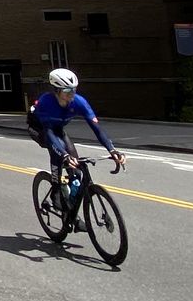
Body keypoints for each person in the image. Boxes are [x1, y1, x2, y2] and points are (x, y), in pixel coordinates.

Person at [28, 68, 124, 228]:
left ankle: (70, 211)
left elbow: (97, 129)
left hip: (58, 129)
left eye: (74, 90)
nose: (71, 94)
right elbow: (50, 134)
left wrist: (112, 150)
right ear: (57, 90)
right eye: (67, 91)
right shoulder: (46, 102)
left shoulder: (79, 102)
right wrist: (64, 156)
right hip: (40, 129)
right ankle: (56, 191)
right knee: (59, 152)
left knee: (77, 172)